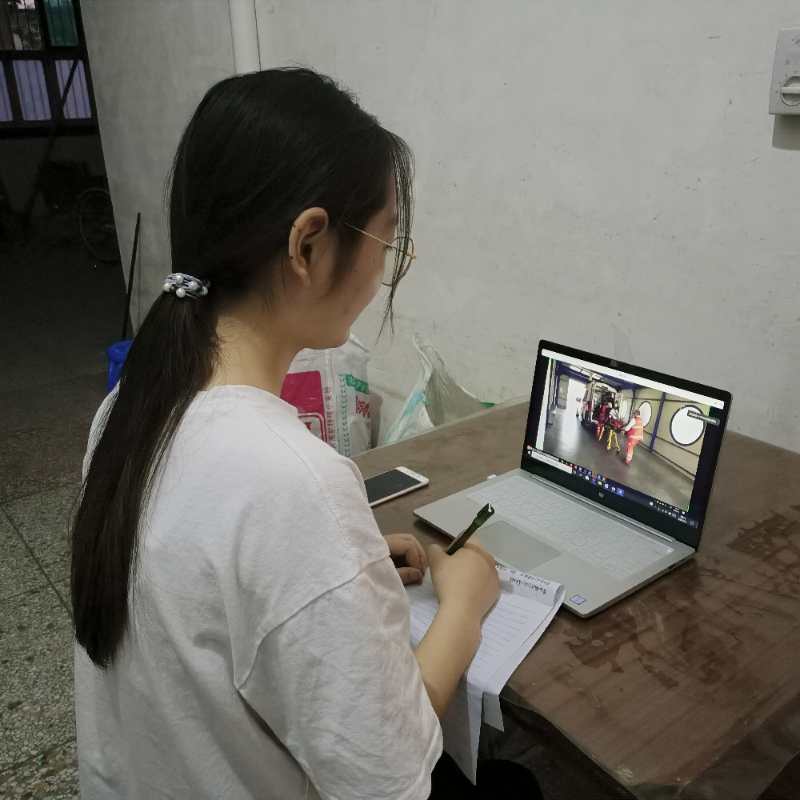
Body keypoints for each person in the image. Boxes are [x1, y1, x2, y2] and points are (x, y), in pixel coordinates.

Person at [69, 69, 529, 799]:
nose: (383, 269)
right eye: (386, 240)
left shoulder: (129, 405)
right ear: (309, 244)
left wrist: (341, 568)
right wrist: (467, 605)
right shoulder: (291, 481)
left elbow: (201, 583)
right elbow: (388, 777)